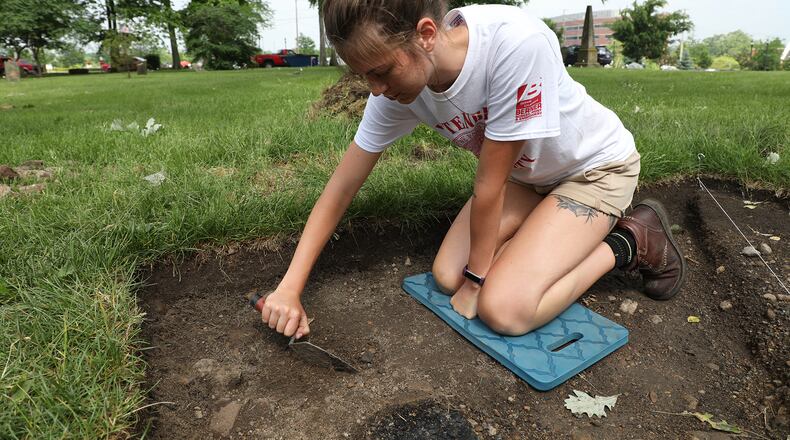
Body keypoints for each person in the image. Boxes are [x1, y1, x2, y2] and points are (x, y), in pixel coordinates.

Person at [258, 0, 686, 339]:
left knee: (504, 309)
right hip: (528, 179)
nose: (375, 89)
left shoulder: (515, 45)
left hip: (593, 171)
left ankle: (631, 240)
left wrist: (480, 280)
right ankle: (546, 236)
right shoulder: (392, 93)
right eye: (363, 75)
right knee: (447, 276)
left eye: (381, 71)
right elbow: (340, 189)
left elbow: (489, 185)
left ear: (426, 34)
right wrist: (290, 288)